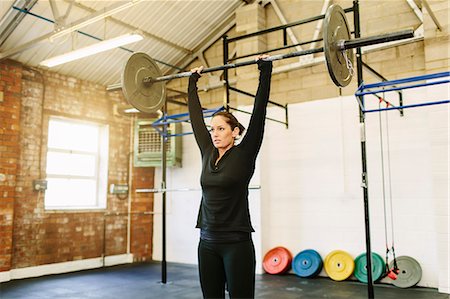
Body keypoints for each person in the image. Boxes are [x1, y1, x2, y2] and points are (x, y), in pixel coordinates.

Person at [187, 54, 273, 299]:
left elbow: (259, 111)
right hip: (207, 242)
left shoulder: (245, 153)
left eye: (221, 128)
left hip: (236, 244)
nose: (215, 134)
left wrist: (265, 71)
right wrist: (192, 82)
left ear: (235, 132)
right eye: (212, 129)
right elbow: (194, 118)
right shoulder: (207, 151)